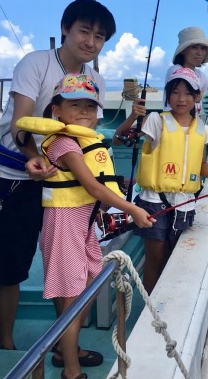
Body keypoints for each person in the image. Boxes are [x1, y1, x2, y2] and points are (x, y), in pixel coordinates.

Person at [0, 0, 116, 363]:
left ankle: (64, 345)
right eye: (84, 31)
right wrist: (34, 158)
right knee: (10, 264)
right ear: (65, 28)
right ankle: (8, 345)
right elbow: (20, 122)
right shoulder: (35, 63)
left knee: (68, 267)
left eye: (100, 36)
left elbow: (85, 133)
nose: (91, 41)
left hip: (67, 189)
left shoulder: (96, 81)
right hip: (18, 178)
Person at [18, 74, 153, 379]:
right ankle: (71, 370)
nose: (83, 111)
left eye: (90, 107)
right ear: (57, 110)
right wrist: (133, 208)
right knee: (72, 299)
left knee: (83, 285)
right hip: (65, 224)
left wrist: (105, 209)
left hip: (82, 222)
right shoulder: (63, 143)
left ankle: (64, 347)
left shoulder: (82, 138)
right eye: (74, 104)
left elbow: (94, 187)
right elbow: (92, 186)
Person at [133, 67, 208, 294]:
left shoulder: (202, 129)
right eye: (175, 92)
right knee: (155, 257)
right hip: (154, 199)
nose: (181, 98)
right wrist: (133, 119)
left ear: (197, 97)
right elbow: (127, 139)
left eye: (187, 93)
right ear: (168, 96)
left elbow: (200, 165)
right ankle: (150, 308)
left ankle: (165, 299)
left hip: (184, 202)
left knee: (174, 255)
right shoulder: (156, 120)